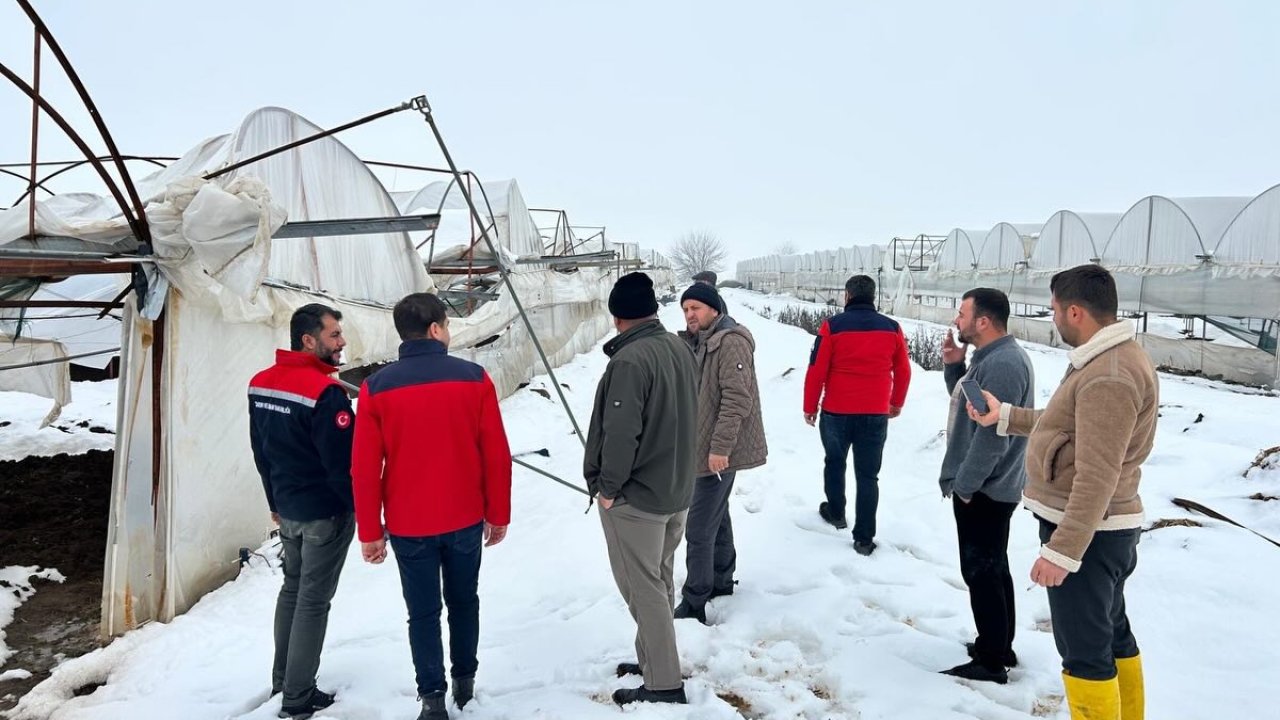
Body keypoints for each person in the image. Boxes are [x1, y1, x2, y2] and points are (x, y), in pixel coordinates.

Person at [970, 265, 1156, 720]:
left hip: (1090, 534)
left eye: (1054, 310)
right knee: (1112, 635)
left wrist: (1063, 551)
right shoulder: (1107, 360)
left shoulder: (1108, 374)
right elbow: (1065, 425)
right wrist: (1006, 417)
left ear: (1075, 311)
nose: (1052, 318)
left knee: (1085, 655)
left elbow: (1097, 474)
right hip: (1104, 529)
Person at [350, 293, 512, 720]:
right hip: (463, 517)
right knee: (464, 602)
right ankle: (465, 683)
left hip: (408, 524)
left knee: (421, 612)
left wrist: (370, 531)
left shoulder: (376, 387)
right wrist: (498, 514)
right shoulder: (474, 378)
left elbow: (365, 468)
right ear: (437, 329)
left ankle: (433, 699)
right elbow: (495, 453)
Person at [584, 272, 698, 706]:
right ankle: (654, 659)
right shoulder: (676, 347)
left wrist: (609, 488)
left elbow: (621, 433)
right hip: (674, 489)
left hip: (639, 497)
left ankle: (664, 683)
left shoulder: (630, 362)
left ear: (617, 318)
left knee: (643, 588)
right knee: (661, 579)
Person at [248, 303, 356, 720]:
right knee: (313, 600)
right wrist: (360, 513)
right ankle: (297, 697)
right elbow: (340, 464)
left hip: (289, 509)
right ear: (308, 340)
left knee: (292, 590)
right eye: (334, 335)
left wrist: (274, 502)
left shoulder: (261, 384)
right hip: (323, 514)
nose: (341, 341)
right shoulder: (324, 393)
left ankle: (284, 679)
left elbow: (261, 451)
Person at [937, 288, 1034, 684]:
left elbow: (994, 434)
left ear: (983, 321)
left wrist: (966, 484)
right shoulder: (990, 358)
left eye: (962, 314)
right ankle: (998, 644)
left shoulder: (1004, 364)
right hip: (988, 486)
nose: (956, 321)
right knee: (993, 567)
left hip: (987, 488)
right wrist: (955, 368)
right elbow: (974, 409)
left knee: (981, 570)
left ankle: (992, 660)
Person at [674, 282, 767, 625]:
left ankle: (696, 598)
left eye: (695, 308)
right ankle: (722, 580)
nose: (689, 315)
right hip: (707, 447)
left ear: (715, 308)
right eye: (685, 310)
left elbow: (736, 400)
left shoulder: (730, 343)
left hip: (718, 451)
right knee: (717, 514)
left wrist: (719, 449)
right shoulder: (705, 340)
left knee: (698, 527)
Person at [802, 274, 911, 555]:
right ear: (873, 297)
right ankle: (864, 538)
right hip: (875, 413)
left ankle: (836, 512)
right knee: (868, 475)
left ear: (847, 296)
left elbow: (817, 370)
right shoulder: (892, 328)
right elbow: (903, 370)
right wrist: (895, 402)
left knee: (835, 462)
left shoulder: (833, 327)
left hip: (837, 412)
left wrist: (810, 406)